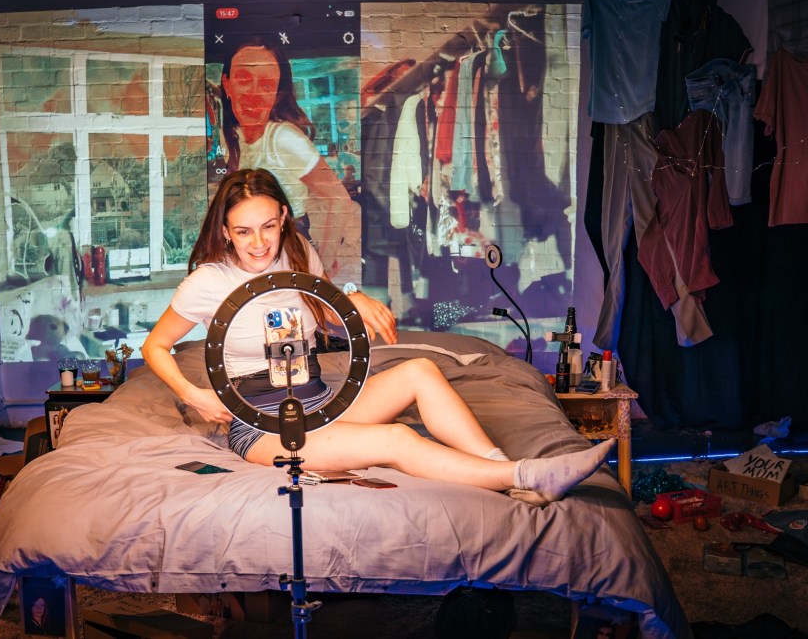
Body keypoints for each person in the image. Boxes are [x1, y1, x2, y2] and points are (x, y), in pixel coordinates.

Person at [143, 169, 615, 505]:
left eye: (268, 226)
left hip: (319, 400)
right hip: (264, 423)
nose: (259, 242)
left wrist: (351, 302)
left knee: (421, 371)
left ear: (284, 216)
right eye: (243, 231)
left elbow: (321, 317)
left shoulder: (298, 251)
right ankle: (527, 474)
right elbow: (155, 346)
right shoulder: (209, 281)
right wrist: (193, 394)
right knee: (396, 439)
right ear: (226, 231)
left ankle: (500, 469)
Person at [218, 40, 357, 277]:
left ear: (277, 93)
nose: (254, 94)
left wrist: (324, 261)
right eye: (243, 79)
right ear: (227, 85)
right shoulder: (231, 136)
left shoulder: (284, 138)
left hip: (291, 245)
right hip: (253, 247)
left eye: (266, 84)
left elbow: (339, 198)